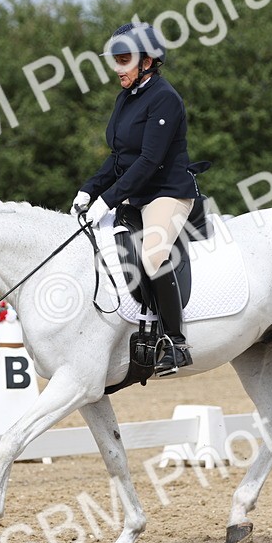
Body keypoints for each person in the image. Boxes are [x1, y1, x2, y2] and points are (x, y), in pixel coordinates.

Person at [74, 22, 200, 376]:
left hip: (167, 194)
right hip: (134, 194)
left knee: (152, 255)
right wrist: (89, 188)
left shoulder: (165, 98)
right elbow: (119, 157)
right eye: (115, 58)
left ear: (147, 61)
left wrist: (108, 201)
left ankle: (176, 342)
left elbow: (149, 161)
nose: (117, 68)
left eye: (124, 58)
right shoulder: (126, 97)